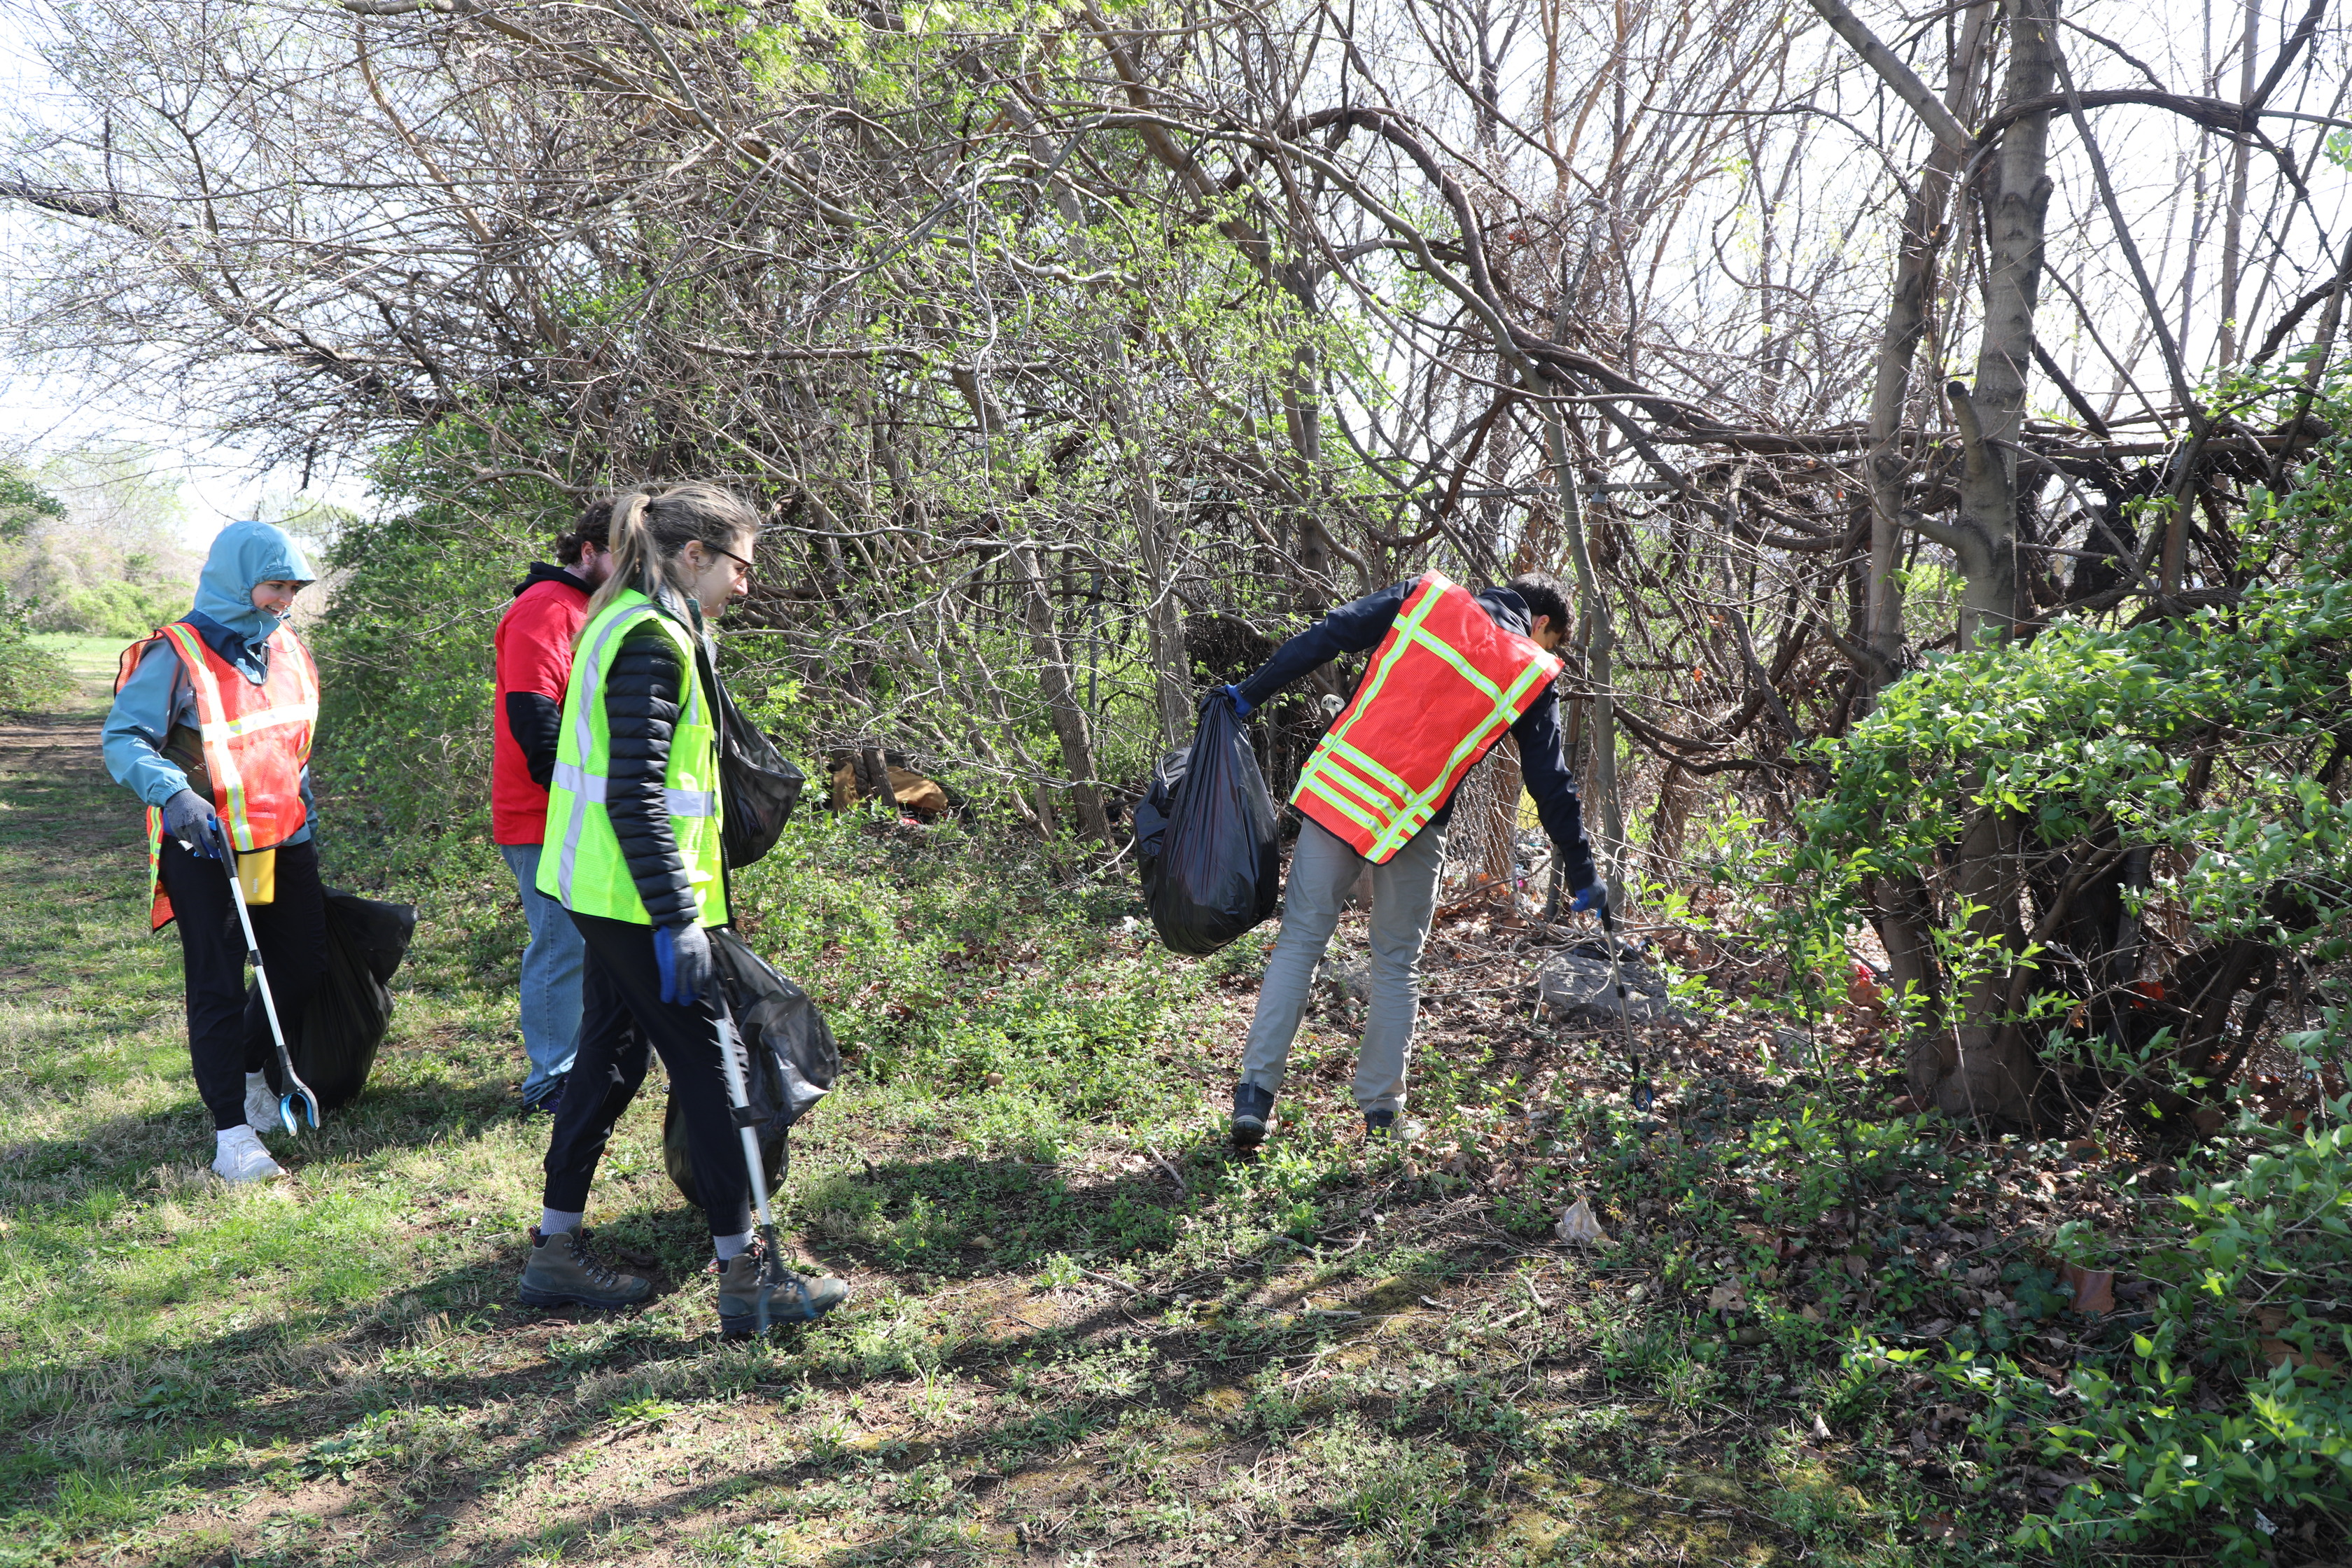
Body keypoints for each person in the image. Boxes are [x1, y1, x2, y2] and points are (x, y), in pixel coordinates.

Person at [517, 481, 848, 1335]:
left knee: (609, 1060)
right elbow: (634, 795)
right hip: (636, 901)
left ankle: (555, 1251)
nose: (747, 583)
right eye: (740, 564)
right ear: (693, 555)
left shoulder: (627, 618)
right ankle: (747, 1276)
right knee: (717, 1072)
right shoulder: (651, 640)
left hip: (603, 889)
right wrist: (678, 918)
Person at [1219, 569, 1605, 1149]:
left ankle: (1254, 1099)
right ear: (1543, 623)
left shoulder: (1426, 597)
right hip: (1414, 823)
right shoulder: (1530, 667)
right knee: (1396, 962)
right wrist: (1582, 872)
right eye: (1549, 641)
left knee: (1300, 941)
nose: (1542, 650)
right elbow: (1549, 784)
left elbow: (1331, 633)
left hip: (1339, 793)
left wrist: (1249, 693)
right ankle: (1381, 1116)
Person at [102, 521, 326, 1184]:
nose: (284, 600)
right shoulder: (177, 653)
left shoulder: (287, 648)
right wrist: (173, 795)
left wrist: (303, 814)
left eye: (292, 588)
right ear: (238, 580)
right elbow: (125, 740)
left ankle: (255, 1067)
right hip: (207, 851)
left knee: (303, 965)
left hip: (279, 844)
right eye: (275, 586)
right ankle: (232, 1136)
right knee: (220, 982)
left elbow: (291, 745)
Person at [491, 502, 616, 1114]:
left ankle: (581, 1066)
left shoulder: (590, 606)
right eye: (624, 553)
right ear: (589, 550)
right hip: (543, 811)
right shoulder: (546, 605)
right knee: (562, 944)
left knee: (589, 944)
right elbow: (533, 714)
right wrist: (573, 803)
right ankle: (549, 1080)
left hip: (579, 807)